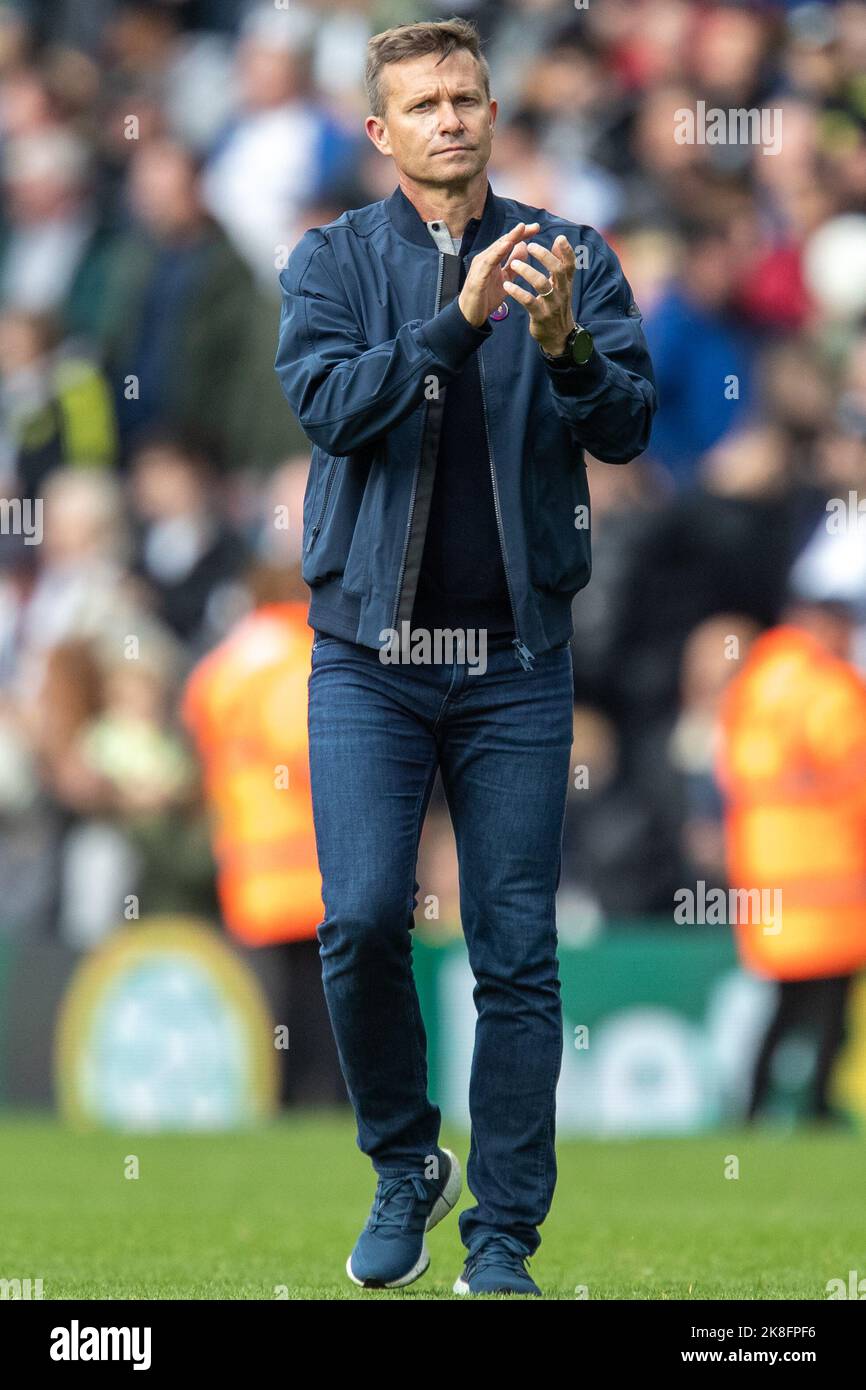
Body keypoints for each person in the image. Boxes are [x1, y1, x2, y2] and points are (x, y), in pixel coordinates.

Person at [275, 17, 656, 1297]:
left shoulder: (574, 257)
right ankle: (403, 1161)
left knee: (513, 951)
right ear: (380, 134)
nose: (450, 116)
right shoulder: (329, 262)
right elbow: (329, 406)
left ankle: (500, 1243)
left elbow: (627, 427)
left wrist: (562, 346)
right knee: (361, 917)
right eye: (423, 103)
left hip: (512, 661)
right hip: (368, 656)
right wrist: (458, 323)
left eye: (466, 96)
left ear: (493, 114)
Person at [719, 591, 866, 1124]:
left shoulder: (755, 686)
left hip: (771, 877)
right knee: (829, 1004)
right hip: (830, 878)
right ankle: (818, 1105)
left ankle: (755, 1108)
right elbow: (856, 780)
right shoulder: (829, 690)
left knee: (785, 1005)